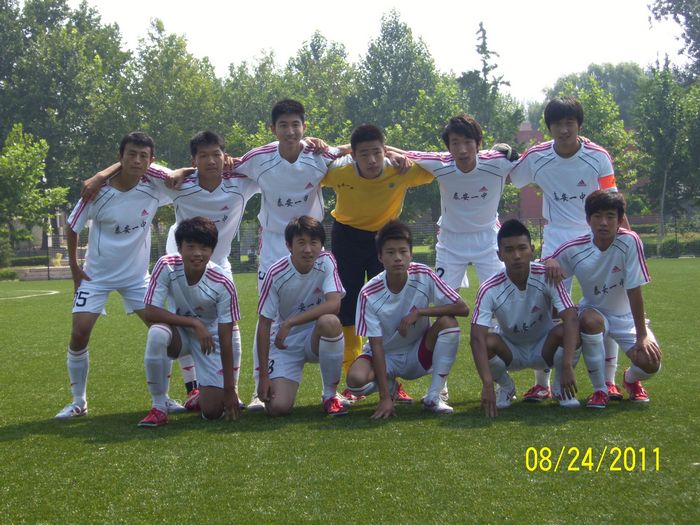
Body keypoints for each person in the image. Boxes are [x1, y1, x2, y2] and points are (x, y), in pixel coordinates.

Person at [81, 130, 257, 411]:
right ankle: (191, 389)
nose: (211, 160)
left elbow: (273, 161)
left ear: (224, 156)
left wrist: (314, 145)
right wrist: (102, 176)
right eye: (203, 156)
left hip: (219, 264)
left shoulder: (241, 181)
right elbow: (138, 163)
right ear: (193, 160)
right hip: (181, 263)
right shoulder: (179, 183)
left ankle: (230, 391)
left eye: (216, 154)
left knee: (229, 325)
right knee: (180, 319)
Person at [509, 96, 628, 403]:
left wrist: (627, 242)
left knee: (605, 306)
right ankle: (542, 383)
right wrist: (502, 153)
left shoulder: (598, 157)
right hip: (557, 242)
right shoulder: (537, 156)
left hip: (595, 238)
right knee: (550, 308)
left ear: (579, 125)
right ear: (549, 127)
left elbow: (614, 203)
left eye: (569, 123)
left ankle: (610, 382)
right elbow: (511, 176)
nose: (563, 130)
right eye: (557, 124)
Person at [233, 99, 345, 411]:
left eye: (296, 124)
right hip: (273, 243)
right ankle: (259, 387)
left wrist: (394, 155)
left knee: (328, 313)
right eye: (283, 125)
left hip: (311, 242)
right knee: (268, 315)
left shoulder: (319, 154)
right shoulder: (258, 158)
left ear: (304, 127)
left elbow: (356, 148)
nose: (290, 131)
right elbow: (221, 164)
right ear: (273, 129)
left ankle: (330, 393)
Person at [55, 132, 173, 419]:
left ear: (151, 160)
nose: (137, 160)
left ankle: (164, 398)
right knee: (79, 333)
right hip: (96, 277)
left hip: (137, 278)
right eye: (131, 154)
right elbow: (72, 227)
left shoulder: (154, 188)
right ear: (120, 157)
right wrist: (75, 268)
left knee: (164, 332)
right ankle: (78, 402)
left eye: (143, 156)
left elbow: (179, 177)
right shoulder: (97, 192)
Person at [322, 124, 434, 404]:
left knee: (387, 306)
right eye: (364, 154)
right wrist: (336, 149)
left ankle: (391, 379)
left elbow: (435, 168)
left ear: (385, 150)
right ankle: (352, 376)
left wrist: (400, 154)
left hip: (384, 240)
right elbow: (311, 168)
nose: (372, 160)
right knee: (347, 304)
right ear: (353, 155)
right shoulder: (339, 171)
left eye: (377, 152)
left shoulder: (401, 169)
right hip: (347, 236)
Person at [544, 191, 662, 405]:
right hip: (594, 313)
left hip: (625, 318)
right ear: (588, 219)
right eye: (597, 216)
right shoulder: (575, 248)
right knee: (589, 320)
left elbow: (634, 290)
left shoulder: (630, 241)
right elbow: (546, 264)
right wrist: (549, 261)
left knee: (651, 363)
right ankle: (600, 390)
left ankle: (630, 379)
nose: (603, 222)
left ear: (620, 220)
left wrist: (642, 336)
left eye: (610, 216)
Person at [345, 220, 468, 418]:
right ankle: (390, 387)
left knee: (448, 322)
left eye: (403, 252)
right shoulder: (369, 293)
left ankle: (434, 396)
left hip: (419, 353)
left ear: (410, 254)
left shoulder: (424, 274)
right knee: (355, 382)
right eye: (390, 252)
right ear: (380, 257)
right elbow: (376, 345)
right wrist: (384, 397)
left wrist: (420, 312)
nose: (398, 258)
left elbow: (462, 308)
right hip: (387, 356)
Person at [469, 219, 583, 418]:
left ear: (532, 249)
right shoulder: (489, 288)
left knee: (571, 330)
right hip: (510, 351)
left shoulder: (547, 275)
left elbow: (571, 317)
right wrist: (487, 383)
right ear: (499, 255)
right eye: (509, 250)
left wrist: (566, 365)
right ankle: (506, 387)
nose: (516, 256)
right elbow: (476, 337)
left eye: (522, 248)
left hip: (544, 347)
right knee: (486, 342)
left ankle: (559, 387)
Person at [395, 114, 518, 290]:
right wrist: (394, 156)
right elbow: (398, 152)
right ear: (448, 147)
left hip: (489, 238)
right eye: (455, 143)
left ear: (478, 143)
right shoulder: (440, 164)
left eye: (468, 142)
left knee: (500, 297)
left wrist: (513, 154)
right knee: (444, 300)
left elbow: (531, 161)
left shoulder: (498, 162)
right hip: (450, 240)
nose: (462, 150)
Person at [139, 217, 241, 426]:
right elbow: (150, 312)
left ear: (212, 250)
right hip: (181, 334)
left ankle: (200, 397)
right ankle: (159, 406)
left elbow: (226, 336)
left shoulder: (223, 282)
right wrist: (194, 323)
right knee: (157, 332)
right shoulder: (166, 265)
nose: (197, 253)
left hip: (210, 339)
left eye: (204, 247)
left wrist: (231, 390)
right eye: (191, 246)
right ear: (179, 247)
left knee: (212, 412)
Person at [256, 216, 347, 416]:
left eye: (314, 242)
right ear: (289, 246)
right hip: (284, 343)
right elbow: (264, 324)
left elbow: (334, 304)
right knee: (278, 407)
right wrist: (263, 376)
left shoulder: (326, 260)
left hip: (315, 336)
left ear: (321, 244)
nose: (308, 249)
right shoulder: (275, 273)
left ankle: (330, 395)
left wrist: (291, 322)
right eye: (301, 243)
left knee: (330, 322)